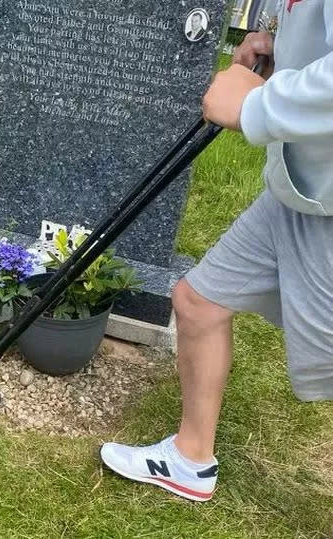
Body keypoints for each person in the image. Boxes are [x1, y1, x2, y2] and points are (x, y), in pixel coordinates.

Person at [100, 0, 333, 502]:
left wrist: (257, 106)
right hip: (301, 187)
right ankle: (190, 459)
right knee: (198, 301)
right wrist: (279, 45)